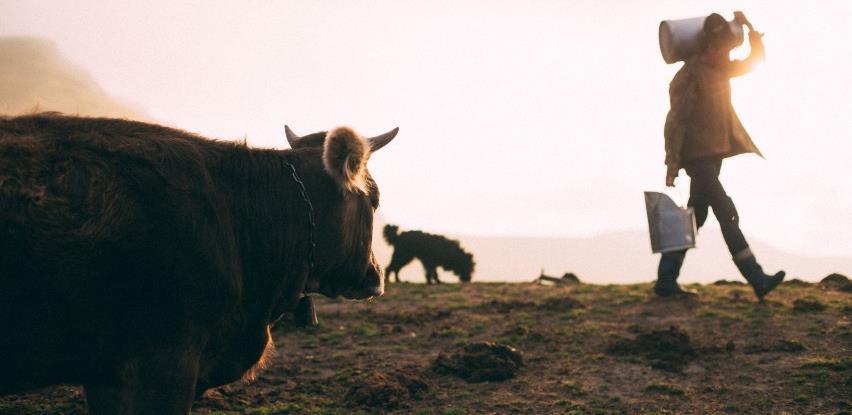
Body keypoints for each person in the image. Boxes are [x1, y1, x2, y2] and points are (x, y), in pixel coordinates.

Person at [657, 12, 785, 300]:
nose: (727, 53)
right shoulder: (690, 75)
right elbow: (675, 121)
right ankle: (757, 277)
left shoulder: (721, 69)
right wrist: (672, 163)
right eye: (723, 49)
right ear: (709, 47)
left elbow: (755, 61)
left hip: (713, 156)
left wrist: (750, 28)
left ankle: (665, 281)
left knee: (696, 216)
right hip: (696, 158)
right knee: (726, 210)